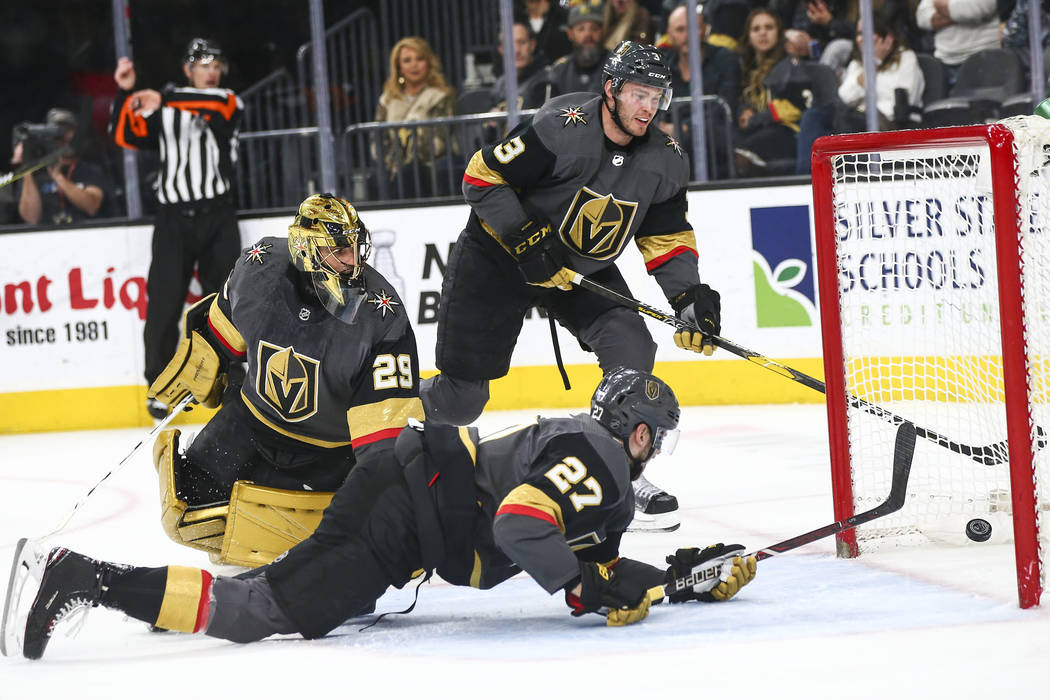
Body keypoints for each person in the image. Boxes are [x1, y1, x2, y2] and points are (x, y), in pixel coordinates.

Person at [14, 368, 758, 660]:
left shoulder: (591, 458)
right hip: (401, 510)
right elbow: (522, 526)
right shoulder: (598, 455)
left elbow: (587, 559)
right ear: (636, 429)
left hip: (405, 498)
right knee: (262, 610)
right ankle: (83, 577)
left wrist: (677, 577)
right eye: (655, 436)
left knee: (275, 592)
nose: (654, 450)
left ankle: (149, 600)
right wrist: (580, 589)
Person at [421, 42, 723, 532]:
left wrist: (689, 296)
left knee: (631, 344)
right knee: (461, 401)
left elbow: (665, 237)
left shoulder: (665, 160)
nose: (648, 108)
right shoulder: (561, 127)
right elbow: (481, 177)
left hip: (579, 267)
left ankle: (616, 473)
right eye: (638, 95)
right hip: (498, 255)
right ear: (611, 90)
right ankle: (371, 427)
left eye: (658, 97)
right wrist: (524, 240)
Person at [142, 193, 425, 567]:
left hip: (328, 451)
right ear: (306, 248)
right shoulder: (260, 267)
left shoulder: (382, 316)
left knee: (337, 560)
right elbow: (221, 336)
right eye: (339, 250)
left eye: (355, 248)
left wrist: (391, 510)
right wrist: (201, 366)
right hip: (251, 421)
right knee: (184, 504)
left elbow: (383, 444)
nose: (352, 261)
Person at [110, 38, 244, 420]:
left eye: (216, 63)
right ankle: (160, 385)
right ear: (188, 70)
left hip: (217, 215)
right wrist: (124, 93)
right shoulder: (167, 110)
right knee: (164, 305)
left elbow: (216, 106)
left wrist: (162, 98)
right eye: (203, 64)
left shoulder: (228, 100)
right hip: (172, 219)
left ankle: (229, 381)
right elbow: (125, 135)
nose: (211, 70)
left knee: (225, 304)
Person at [375, 36, 457, 199]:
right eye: (407, 60)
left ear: (428, 63)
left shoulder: (441, 96)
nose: (414, 65)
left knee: (409, 173)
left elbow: (441, 139)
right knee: (375, 178)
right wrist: (391, 163)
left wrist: (409, 160)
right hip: (394, 165)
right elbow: (378, 139)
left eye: (419, 59)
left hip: (431, 162)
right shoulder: (387, 100)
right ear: (398, 66)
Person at [734, 9, 810, 176]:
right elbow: (740, 99)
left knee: (751, 144)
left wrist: (755, 120)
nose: (763, 33)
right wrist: (743, 111)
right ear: (748, 36)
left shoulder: (790, 64)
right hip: (757, 131)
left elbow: (794, 107)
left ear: (779, 33)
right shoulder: (745, 69)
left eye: (769, 27)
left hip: (787, 133)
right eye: (756, 29)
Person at [13, 108, 112, 227]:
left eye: (67, 130)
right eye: (56, 131)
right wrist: (27, 169)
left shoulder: (89, 170)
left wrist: (57, 176)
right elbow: (31, 218)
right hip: (46, 237)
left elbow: (91, 206)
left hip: (85, 234)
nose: (62, 137)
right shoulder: (36, 174)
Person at [915, 0, 1000, 84]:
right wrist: (961, 14)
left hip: (986, 58)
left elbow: (978, 8)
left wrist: (940, 6)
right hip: (946, 62)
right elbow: (922, 18)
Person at [549, 1, 611, 97]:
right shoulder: (559, 71)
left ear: (602, 32)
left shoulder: (616, 67)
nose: (588, 34)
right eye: (581, 29)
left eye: (594, 28)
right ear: (570, 34)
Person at [491, 19, 553, 112]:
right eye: (509, 45)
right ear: (501, 50)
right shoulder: (499, 86)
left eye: (522, 42)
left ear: (532, 45)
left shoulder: (547, 81)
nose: (516, 51)